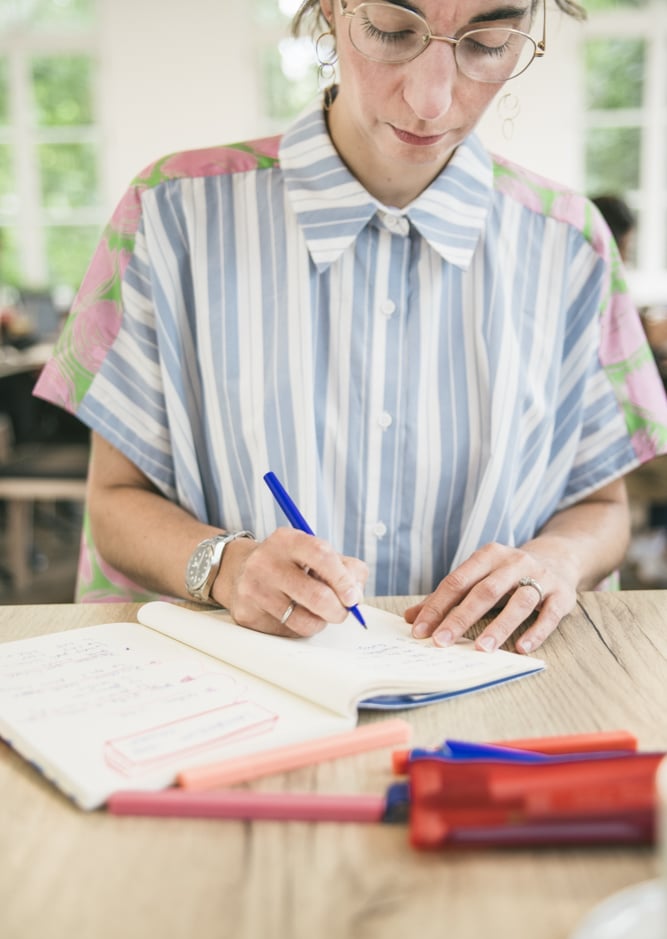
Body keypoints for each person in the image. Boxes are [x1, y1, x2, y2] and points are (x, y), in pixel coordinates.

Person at [34, 0, 667, 656]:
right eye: (392, 31)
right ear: (334, 10)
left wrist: (556, 562)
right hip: (240, 689)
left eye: (488, 41)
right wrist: (225, 566)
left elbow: (600, 507)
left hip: (490, 685)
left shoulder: (569, 244)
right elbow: (115, 502)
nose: (431, 99)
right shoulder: (171, 213)